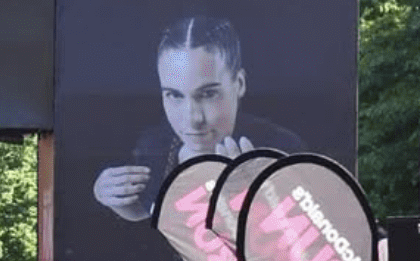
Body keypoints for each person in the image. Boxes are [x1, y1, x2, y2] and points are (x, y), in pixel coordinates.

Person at [91, 16, 304, 224]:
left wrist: (262, 204)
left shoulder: (282, 148)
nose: (192, 119)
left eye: (208, 94)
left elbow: (311, 244)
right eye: (174, 95)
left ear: (239, 84)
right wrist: (115, 199)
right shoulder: (155, 144)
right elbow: (149, 209)